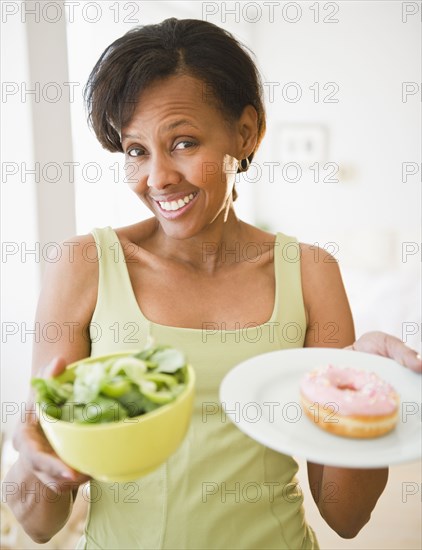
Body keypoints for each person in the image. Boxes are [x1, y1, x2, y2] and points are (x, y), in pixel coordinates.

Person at [4, 18, 421, 550]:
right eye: (135, 150)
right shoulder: (85, 265)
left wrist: (372, 390)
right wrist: (36, 452)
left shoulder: (310, 272)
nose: (157, 177)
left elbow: (347, 515)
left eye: (183, 142)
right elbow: (39, 525)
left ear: (246, 132)